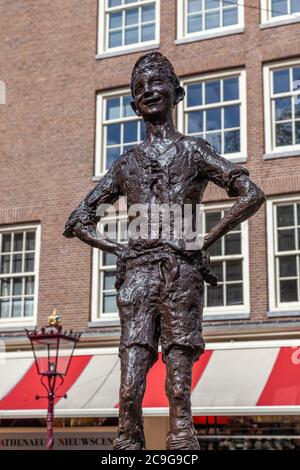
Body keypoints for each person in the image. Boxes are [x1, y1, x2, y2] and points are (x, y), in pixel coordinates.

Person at [64, 51, 265, 450]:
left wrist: (203, 239)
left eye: (157, 84)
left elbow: (250, 193)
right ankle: (127, 442)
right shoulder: (126, 164)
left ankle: (181, 444)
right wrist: (119, 249)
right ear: (132, 104)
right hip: (137, 276)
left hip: (180, 273)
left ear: (178, 92)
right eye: (139, 89)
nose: (149, 92)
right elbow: (78, 221)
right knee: (129, 385)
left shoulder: (193, 150)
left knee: (178, 386)